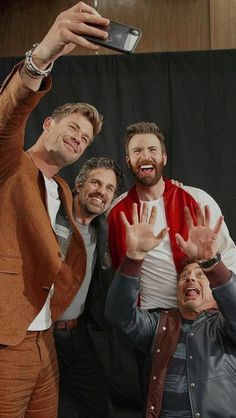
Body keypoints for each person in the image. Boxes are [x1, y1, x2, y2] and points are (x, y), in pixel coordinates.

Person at [0, 3, 110, 417]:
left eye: (86, 137)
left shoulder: (64, 188)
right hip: (7, 340)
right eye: (73, 128)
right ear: (47, 124)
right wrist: (42, 56)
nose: (80, 139)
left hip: (47, 343)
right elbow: (6, 119)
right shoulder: (10, 162)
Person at [106, 203, 236, 418]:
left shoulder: (224, 325)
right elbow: (118, 315)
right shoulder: (160, 325)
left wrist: (212, 265)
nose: (191, 278)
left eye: (199, 275)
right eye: (184, 277)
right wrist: (134, 258)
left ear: (214, 292)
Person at [108, 121, 236, 310]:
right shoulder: (115, 211)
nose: (145, 156)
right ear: (128, 161)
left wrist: (220, 304)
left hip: (198, 315)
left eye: (152, 149)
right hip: (145, 320)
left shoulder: (197, 199)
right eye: (137, 151)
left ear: (164, 157)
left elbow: (229, 254)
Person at [53, 157, 123, 418]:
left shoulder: (101, 228)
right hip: (40, 335)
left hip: (78, 335)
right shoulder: (52, 212)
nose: (101, 191)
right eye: (95, 182)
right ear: (79, 183)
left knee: (100, 409)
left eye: (109, 188)